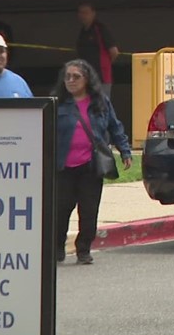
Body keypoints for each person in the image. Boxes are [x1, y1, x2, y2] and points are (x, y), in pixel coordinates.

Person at [53, 59, 132, 265]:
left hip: (91, 166)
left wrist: (125, 151)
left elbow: (115, 127)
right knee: (61, 211)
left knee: (89, 211)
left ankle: (84, 250)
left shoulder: (100, 102)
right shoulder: (57, 103)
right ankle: (57, 248)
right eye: (67, 77)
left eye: (76, 77)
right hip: (64, 168)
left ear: (87, 79)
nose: (71, 81)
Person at [76, 3, 120, 99]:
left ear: (93, 13)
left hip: (101, 77)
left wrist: (105, 65)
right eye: (81, 13)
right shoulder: (82, 32)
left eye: (86, 13)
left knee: (102, 105)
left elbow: (114, 52)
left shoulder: (100, 29)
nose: (83, 16)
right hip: (86, 77)